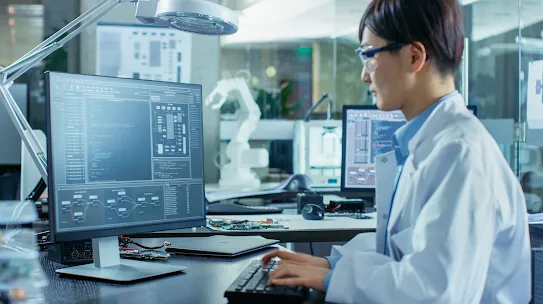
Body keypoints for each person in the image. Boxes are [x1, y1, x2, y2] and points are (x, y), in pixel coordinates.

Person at [261, 0, 532, 303]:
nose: (365, 76)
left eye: (369, 56)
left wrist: (331, 277)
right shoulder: (433, 143)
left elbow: (434, 291)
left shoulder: (460, 154)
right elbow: (402, 248)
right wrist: (330, 264)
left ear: (414, 56)